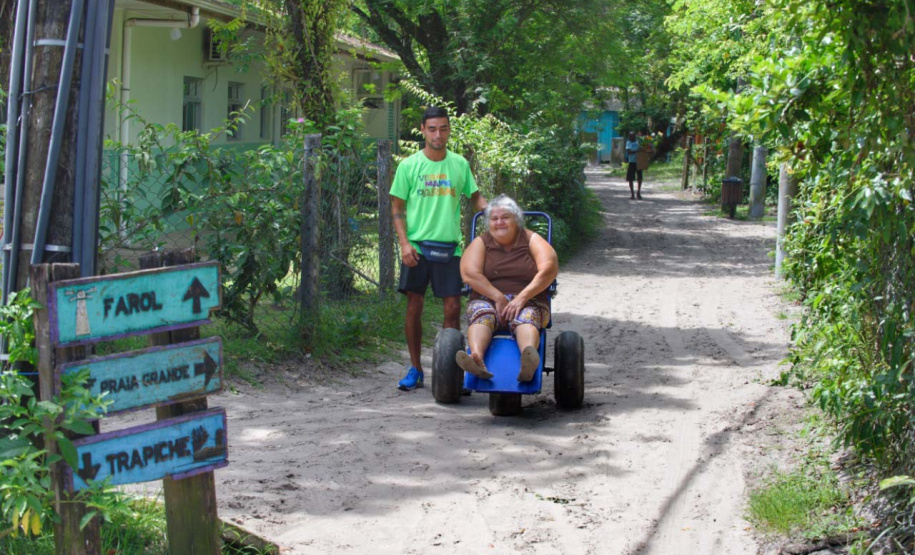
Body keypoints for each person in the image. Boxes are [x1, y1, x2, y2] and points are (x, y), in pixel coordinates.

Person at [390, 106, 487, 391]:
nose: (438, 135)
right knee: (414, 306)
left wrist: (496, 213)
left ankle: (451, 373)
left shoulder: (459, 164)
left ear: (448, 130)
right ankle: (416, 369)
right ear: (422, 130)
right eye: (432, 129)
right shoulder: (409, 166)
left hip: (449, 249)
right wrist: (404, 243)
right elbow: (397, 207)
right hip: (417, 248)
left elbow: (476, 198)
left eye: (443, 129)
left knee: (453, 308)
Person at [457, 195, 558, 382]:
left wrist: (521, 298)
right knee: (482, 314)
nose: (499, 222)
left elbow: (549, 269)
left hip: (530, 300)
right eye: (494, 219)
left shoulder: (531, 239)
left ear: (516, 220)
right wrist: (498, 297)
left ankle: (528, 358)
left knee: (527, 317)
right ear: (488, 223)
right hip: (487, 299)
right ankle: (476, 358)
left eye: (505, 217)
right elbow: (469, 273)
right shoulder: (481, 242)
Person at [625, 131, 643, 200]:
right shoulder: (628, 143)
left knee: (640, 177)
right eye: (629, 136)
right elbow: (629, 151)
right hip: (632, 162)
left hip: (639, 161)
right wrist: (637, 151)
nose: (630, 137)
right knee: (630, 178)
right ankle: (632, 194)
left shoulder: (639, 142)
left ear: (635, 136)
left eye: (632, 136)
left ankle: (638, 192)